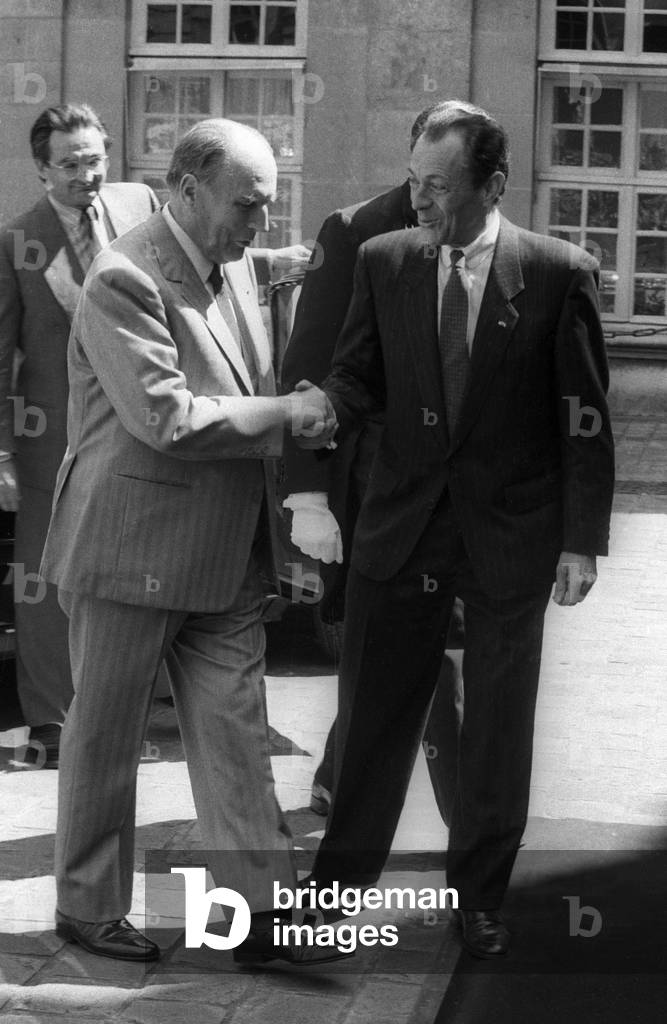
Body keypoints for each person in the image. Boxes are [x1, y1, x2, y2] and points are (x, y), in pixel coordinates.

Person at [293, 101, 615, 959]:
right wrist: (323, 408)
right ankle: (332, 898)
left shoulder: (557, 273)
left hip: (510, 538)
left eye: (437, 186)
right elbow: (355, 376)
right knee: (371, 725)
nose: (418, 200)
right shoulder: (383, 260)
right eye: (413, 182)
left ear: (492, 184)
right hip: (400, 533)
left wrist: (580, 540)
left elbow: (582, 415)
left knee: (497, 732)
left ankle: (479, 902)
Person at [39, 117, 340, 965]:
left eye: (269, 205)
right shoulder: (121, 278)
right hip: (128, 551)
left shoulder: (231, 257)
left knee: (236, 735)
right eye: (246, 205)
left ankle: (262, 918)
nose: (259, 223)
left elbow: (257, 302)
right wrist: (288, 415)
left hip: (225, 553)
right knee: (105, 737)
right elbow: (166, 418)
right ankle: (87, 908)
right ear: (187, 190)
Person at [281, 102, 463, 821]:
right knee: (404, 636)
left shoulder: (488, 235)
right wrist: (307, 495)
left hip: (455, 481)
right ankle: (464, 806)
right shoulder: (354, 229)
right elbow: (308, 366)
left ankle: (343, 774)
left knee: (413, 636)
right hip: (375, 478)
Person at [0, 104, 159, 768]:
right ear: (41, 169)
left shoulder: (139, 206)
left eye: (95, 160)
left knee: (124, 585)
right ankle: (51, 724)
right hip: (51, 440)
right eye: (69, 164)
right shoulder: (18, 242)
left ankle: (116, 722)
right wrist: (3, 455)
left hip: (137, 432)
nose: (86, 175)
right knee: (44, 585)